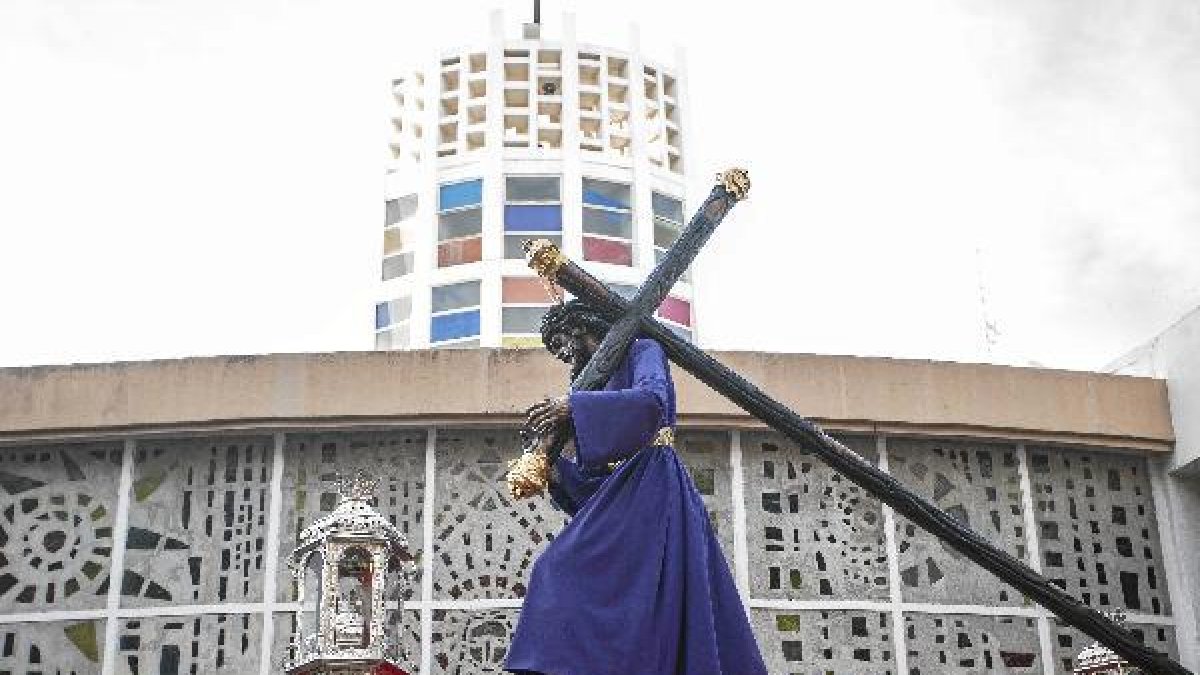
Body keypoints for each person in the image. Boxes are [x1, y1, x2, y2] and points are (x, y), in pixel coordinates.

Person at [505, 300, 767, 675]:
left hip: (654, 485)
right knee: (553, 568)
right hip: (622, 493)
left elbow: (651, 403)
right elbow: (594, 489)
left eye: (561, 342)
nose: (563, 355)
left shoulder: (644, 348)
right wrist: (555, 471)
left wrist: (573, 408)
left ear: (580, 328)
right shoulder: (595, 385)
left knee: (563, 567)